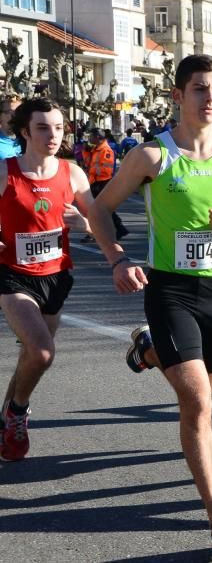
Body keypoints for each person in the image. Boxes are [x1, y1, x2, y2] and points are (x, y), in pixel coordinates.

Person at [88, 54, 212, 562]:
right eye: (199, 89)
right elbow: (100, 207)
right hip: (171, 291)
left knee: (201, 403)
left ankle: (148, 350)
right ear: (178, 96)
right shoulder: (152, 156)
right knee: (199, 405)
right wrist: (118, 258)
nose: (211, 98)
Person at [0, 98, 94, 462]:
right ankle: (18, 413)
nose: (53, 135)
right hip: (13, 275)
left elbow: (97, 225)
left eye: (58, 127)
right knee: (41, 352)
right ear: (25, 131)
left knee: (30, 356)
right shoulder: (6, 172)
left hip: (55, 277)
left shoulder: (72, 174)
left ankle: (6, 419)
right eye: (43, 127)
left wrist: (84, 227)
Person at [82, 127, 127, 241]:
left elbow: (105, 170)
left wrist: (92, 171)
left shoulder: (106, 151)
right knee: (100, 209)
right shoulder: (96, 149)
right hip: (95, 182)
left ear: (98, 137)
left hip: (102, 183)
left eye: (91, 136)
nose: (89, 138)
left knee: (99, 209)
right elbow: (88, 163)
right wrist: (86, 151)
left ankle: (113, 229)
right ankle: (119, 229)